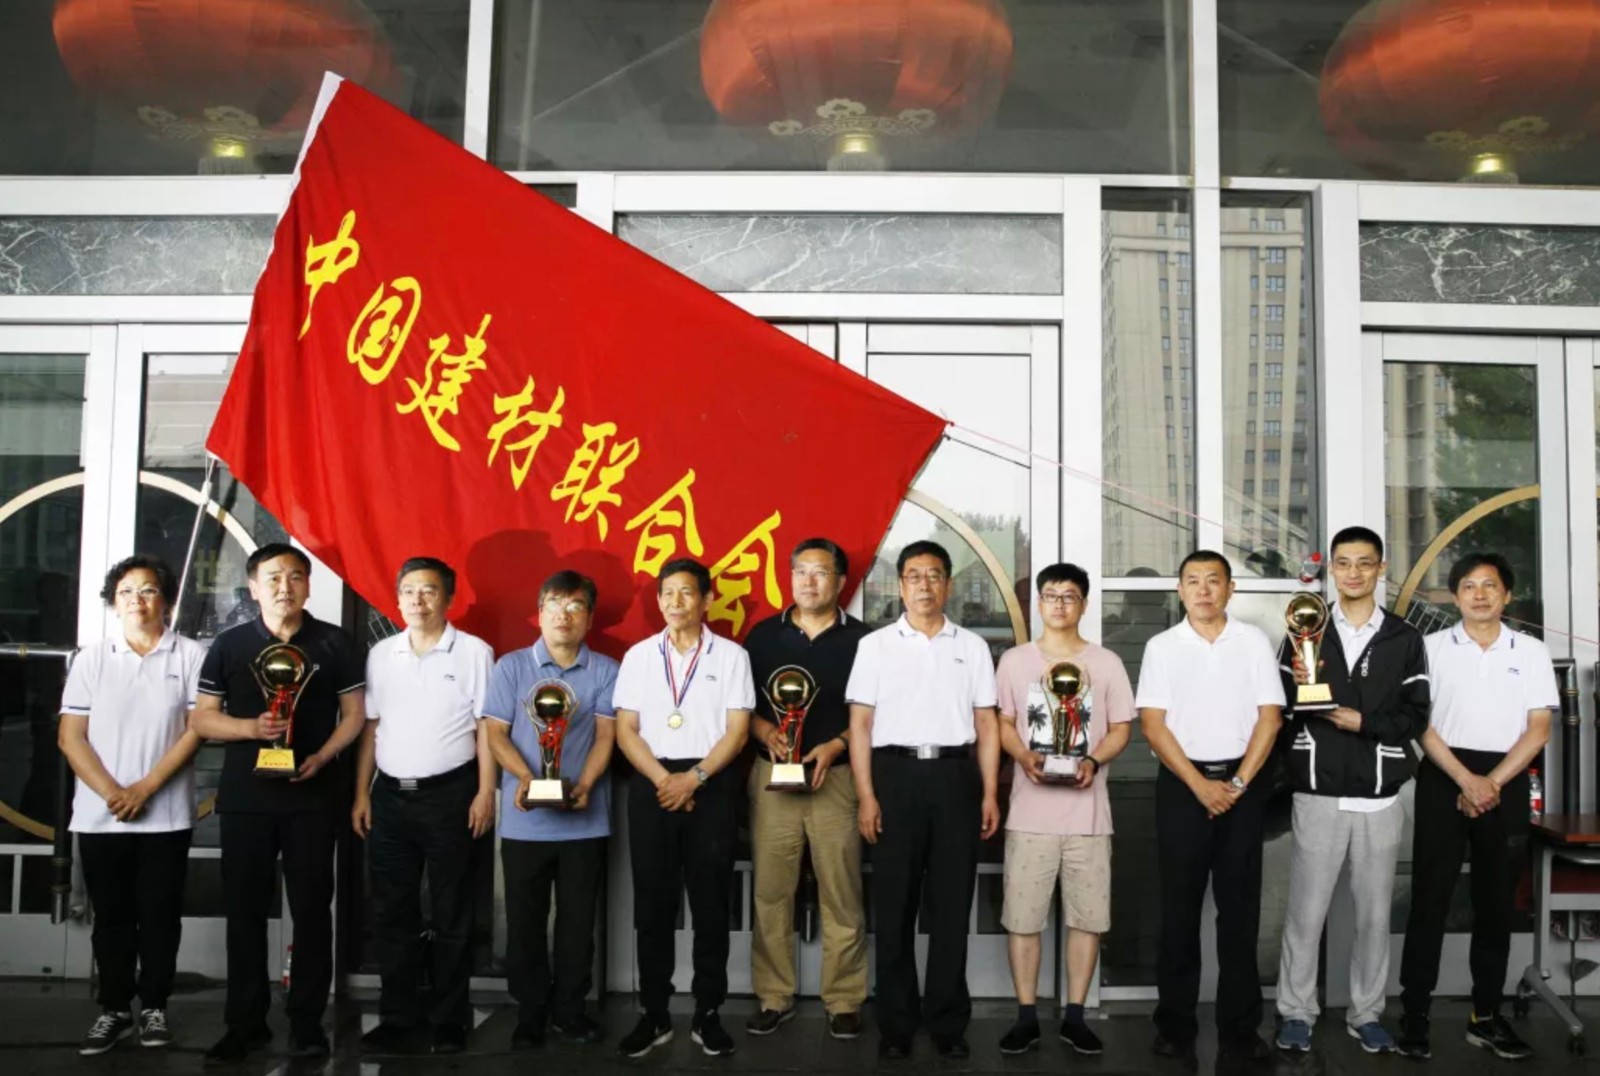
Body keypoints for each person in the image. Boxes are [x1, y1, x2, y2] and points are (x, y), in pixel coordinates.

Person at [190, 543, 367, 1062]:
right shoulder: (230, 644)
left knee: (312, 910)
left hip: (313, 796)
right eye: (272, 578)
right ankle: (244, 1023)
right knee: (244, 911)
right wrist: (251, 728)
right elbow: (202, 718)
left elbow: (354, 715)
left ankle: (307, 1023)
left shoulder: (334, 642)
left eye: (294, 577)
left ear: (308, 586)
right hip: (246, 800)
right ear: (253, 588)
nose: (284, 587)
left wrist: (323, 756)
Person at [1273, 527, 1429, 1055]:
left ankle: (1367, 1013)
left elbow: (1416, 714)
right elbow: (1280, 700)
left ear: (1381, 569)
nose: (1354, 572)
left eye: (1365, 563)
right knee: (1305, 913)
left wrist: (1365, 723)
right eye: (1344, 563)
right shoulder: (1306, 626)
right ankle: (1296, 1011)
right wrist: (1300, 688)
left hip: (1379, 796)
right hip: (1317, 791)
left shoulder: (1404, 638)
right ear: (1332, 570)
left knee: (1374, 916)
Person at [846, 539, 1001, 1061]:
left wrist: (989, 792)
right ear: (900, 585)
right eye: (914, 576)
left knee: (952, 906)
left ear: (948, 584)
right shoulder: (876, 645)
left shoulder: (971, 646)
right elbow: (860, 725)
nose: (924, 585)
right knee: (894, 907)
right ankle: (896, 1024)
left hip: (956, 777)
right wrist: (866, 796)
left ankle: (947, 1022)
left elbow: (986, 724)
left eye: (934, 575)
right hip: (894, 776)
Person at [1398, 552, 1555, 1062]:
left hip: (1505, 780)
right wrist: (1466, 780)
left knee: (1496, 904)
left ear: (1507, 595)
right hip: (1444, 776)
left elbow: (1539, 729)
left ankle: (1486, 1016)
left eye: (1490, 585)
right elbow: (1419, 724)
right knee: (1429, 899)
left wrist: (1491, 783)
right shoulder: (1429, 648)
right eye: (1469, 585)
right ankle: (1415, 1014)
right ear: (1455, 595)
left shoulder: (1530, 651)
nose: (1480, 594)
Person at [1136, 549, 1284, 1065]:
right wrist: (1200, 785)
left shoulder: (1253, 642)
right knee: (1178, 912)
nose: (1203, 590)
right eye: (1193, 581)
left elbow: (1270, 717)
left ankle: (1240, 1030)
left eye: (1213, 580)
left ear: (1229, 589)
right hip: (1183, 787)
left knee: (1240, 914)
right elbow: (1153, 724)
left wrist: (1238, 782)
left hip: (1243, 788)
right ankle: (1175, 1027)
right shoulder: (1162, 647)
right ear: (1180, 590)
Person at [59, 555, 205, 1055]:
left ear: (166, 600)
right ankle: (115, 1010)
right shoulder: (93, 658)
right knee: (112, 918)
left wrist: (145, 788)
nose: (137, 600)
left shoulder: (190, 655)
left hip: (166, 815)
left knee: (161, 915)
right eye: (126, 592)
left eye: (148, 590)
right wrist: (112, 793)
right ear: (113, 602)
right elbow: (70, 737)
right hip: (100, 816)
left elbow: (196, 731)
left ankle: (155, 1007)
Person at [352, 557, 496, 1055]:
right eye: (409, 590)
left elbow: (487, 728)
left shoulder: (474, 652)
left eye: (429, 590)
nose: (418, 599)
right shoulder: (381, 654)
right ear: (397, 599)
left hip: (451, 796)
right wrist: (361, 792)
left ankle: (449, 1017)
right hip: (390, 798)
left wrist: (485, 792)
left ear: (448, 598)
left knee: (453, 911)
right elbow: (371, 728)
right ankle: (397, 1017)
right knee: (392, 911)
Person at [612, 558, 753, 1058]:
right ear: (658, 601)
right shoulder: (638, 657)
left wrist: (693, 778)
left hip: (711, 784)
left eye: (687, 592)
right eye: (667, 593)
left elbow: (738, 731)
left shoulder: (732, 656)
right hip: (653, 785)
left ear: (707, 599)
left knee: (711, 904)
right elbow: (626, 729)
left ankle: (707, 1013)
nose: (676, 602)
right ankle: (654, 1014)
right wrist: (664, 781)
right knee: (654, 905)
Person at [994, 563, 1134, 1057]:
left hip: (1088, 818)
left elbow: (1121, 728)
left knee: (1087, 918)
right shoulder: (1014, 662)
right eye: (1050, 595)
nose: (1059, 604)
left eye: (1069, 596)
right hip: (1029, 816)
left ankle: (1075, 1016)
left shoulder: (1106, 663)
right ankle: (1026, 1016)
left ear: (1084, 604)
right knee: (1023, 919)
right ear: (1039, 603)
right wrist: (1022, 755)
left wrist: (1092, 760)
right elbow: (1004, 722)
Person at [483, 570, 618, 1049]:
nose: (565, 614)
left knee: (578, 925)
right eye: (555, 604)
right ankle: (531, 1012)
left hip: (585, 821)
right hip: (525, 823)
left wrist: (587, 783)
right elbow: (495, 733)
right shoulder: (511, 667)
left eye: (576, 605)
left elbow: (606, 735)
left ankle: (570, 1011)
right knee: (525, 923)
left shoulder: (606, 669)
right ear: (539, 613)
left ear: (589, 618)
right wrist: (525, 778)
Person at [743, 538, 869, 1041]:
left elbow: (875, 712)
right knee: (771, 892)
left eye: (820, 572)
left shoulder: (865, 641)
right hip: (773, 778)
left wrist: (837, 745)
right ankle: (773, 996)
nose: (809, 581)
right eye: (800, 571)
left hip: (836, 779)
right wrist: (764, 732)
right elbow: (739, 707)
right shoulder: (761, 637)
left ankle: (844, 999)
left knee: (842, 891)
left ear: (840, 581)